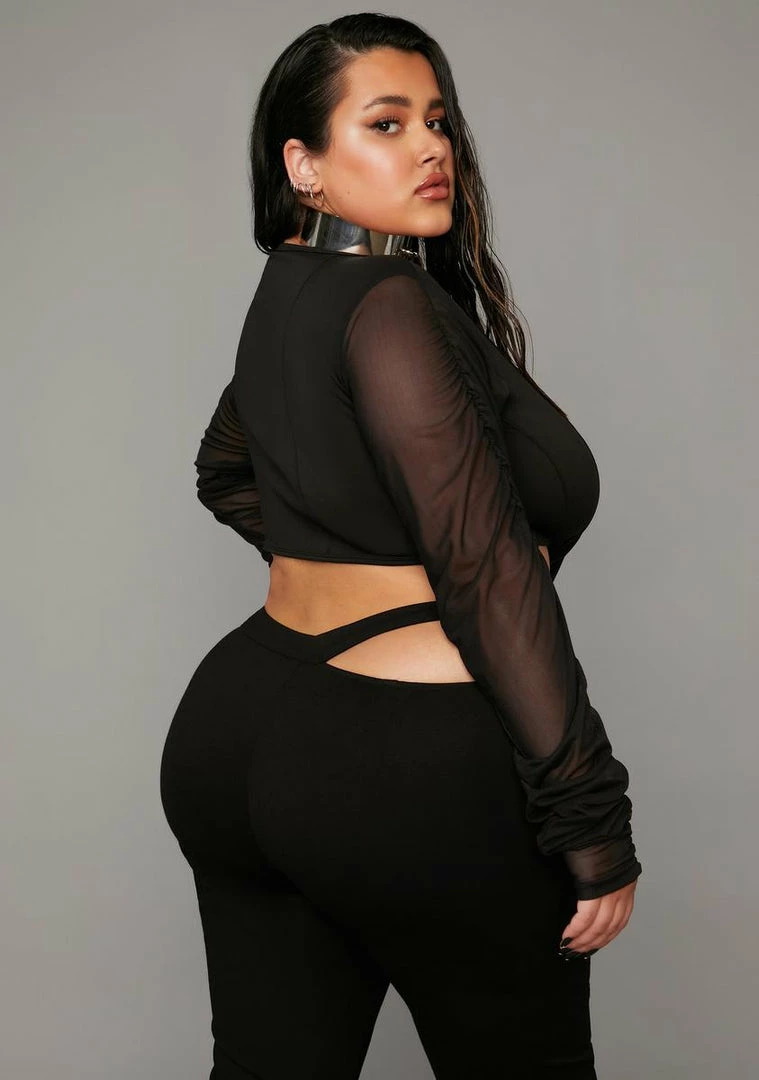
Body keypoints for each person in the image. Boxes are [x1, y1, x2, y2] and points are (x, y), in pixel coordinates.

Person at [159, 12, 642, 1079]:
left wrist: (360, 570)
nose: (430, 147)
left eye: (437, 121)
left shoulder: (294, 288)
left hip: (236, 731)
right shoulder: (391, 305)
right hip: (396, 770)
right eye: (385, 124)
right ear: (304, 165)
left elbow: (223, 470)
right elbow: (486, 571)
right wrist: (589, 818)